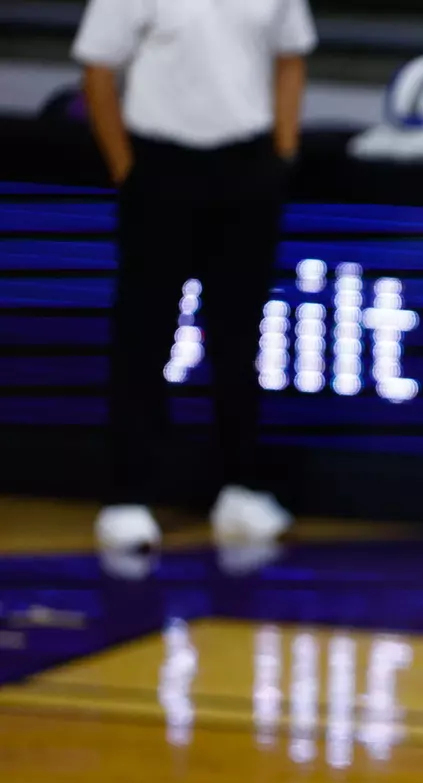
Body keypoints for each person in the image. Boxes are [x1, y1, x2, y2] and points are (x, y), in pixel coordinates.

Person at [73, 0, 316, 560]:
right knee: (145, 334)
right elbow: (96, 67)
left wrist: (280, 153)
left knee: (239, 338)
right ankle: (130, 496)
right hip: (158, 168)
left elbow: (291, 56)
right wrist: (125, 170)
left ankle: (238, 488)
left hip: (247, 169)